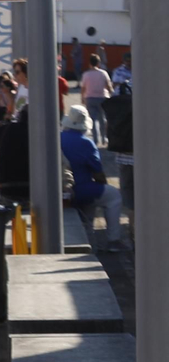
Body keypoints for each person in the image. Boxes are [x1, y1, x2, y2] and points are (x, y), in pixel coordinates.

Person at [61, 104, 126, 252]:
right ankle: (113, 240)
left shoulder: (57, 137)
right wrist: (102, 185)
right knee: (113, 196)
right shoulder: (86, 142)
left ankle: (91, 241)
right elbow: (98, 172)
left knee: (91, 204)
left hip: (61, 189)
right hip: (81, 188)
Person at [80, 54, 113, 145]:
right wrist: (111, 94)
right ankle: (104, 138)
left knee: (92, 119)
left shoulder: (86, 74)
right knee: (103, 119)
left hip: (90, 98)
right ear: (98, 63)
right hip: (102, 98)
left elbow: (83, 88)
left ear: (89, 63)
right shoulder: (103, 73)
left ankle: (95, 139)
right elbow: (108, 86)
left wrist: (82, 98)